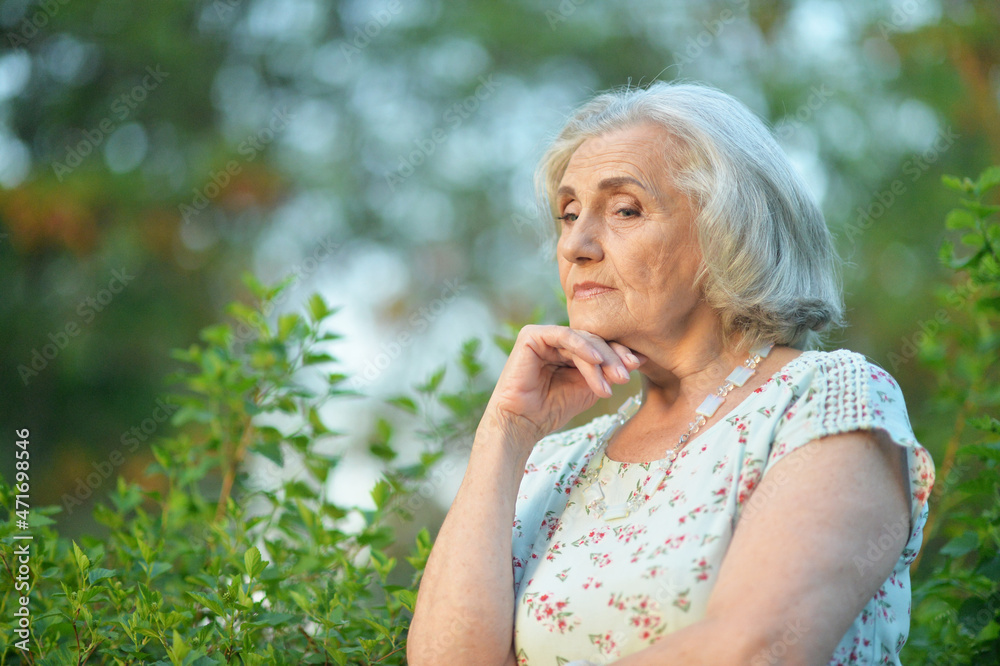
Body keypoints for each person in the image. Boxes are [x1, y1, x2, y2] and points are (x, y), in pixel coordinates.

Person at [406, 81, 935, 666]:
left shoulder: (826, 399)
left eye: (624, 210)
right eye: (569, 214)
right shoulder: (552, 463)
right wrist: (505, 431)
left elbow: (751, 651)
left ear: (728, 231)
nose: (575, 244)